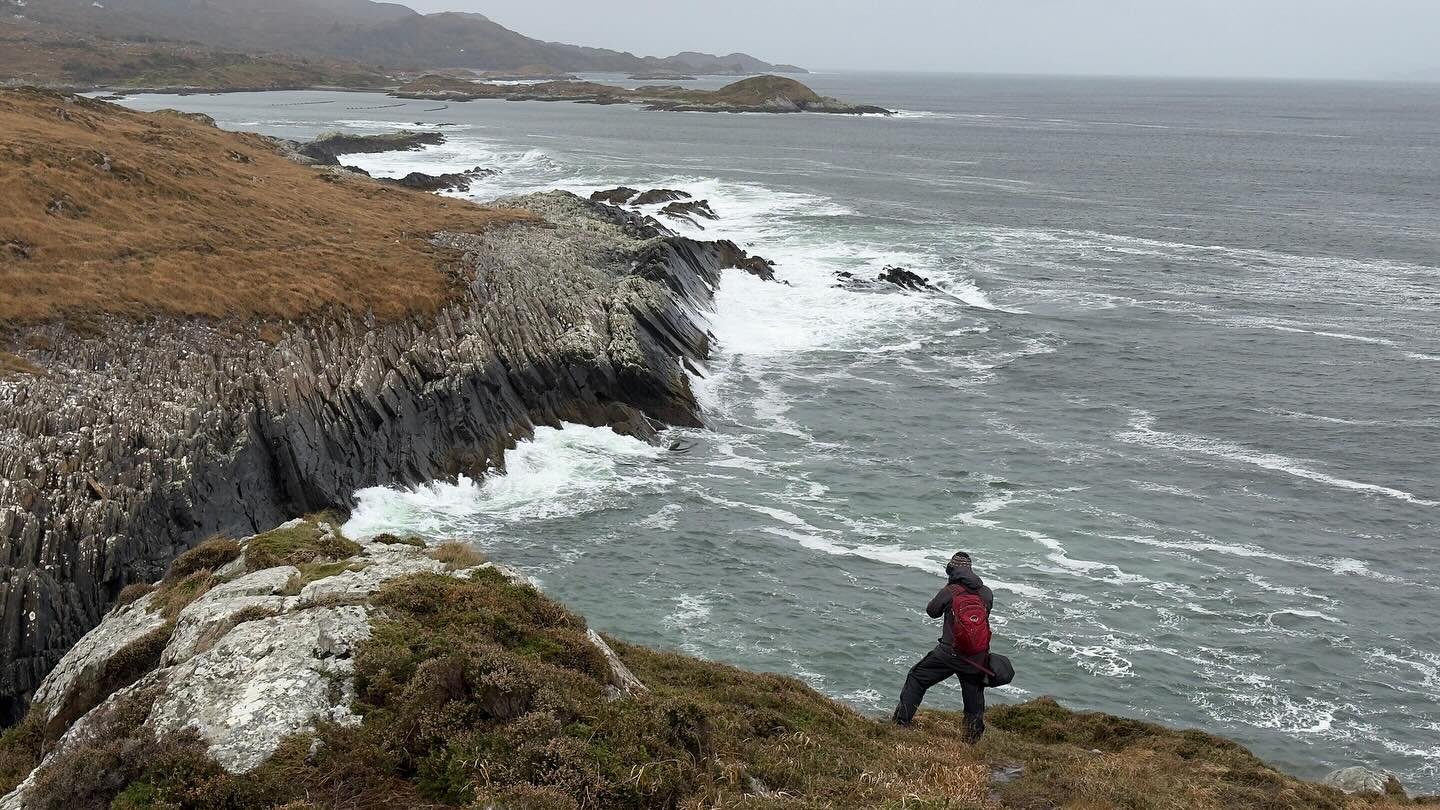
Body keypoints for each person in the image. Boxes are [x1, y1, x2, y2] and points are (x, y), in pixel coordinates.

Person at [892, 551, 994, 741]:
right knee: (974, 698)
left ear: (951, 570)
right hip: (976, 658)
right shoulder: (986, 592)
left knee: (917, 677)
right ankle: (971, 741)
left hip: (950, 654)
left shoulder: (951, 591)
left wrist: (947, 589)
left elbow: (932, 611)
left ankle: (900, 724)